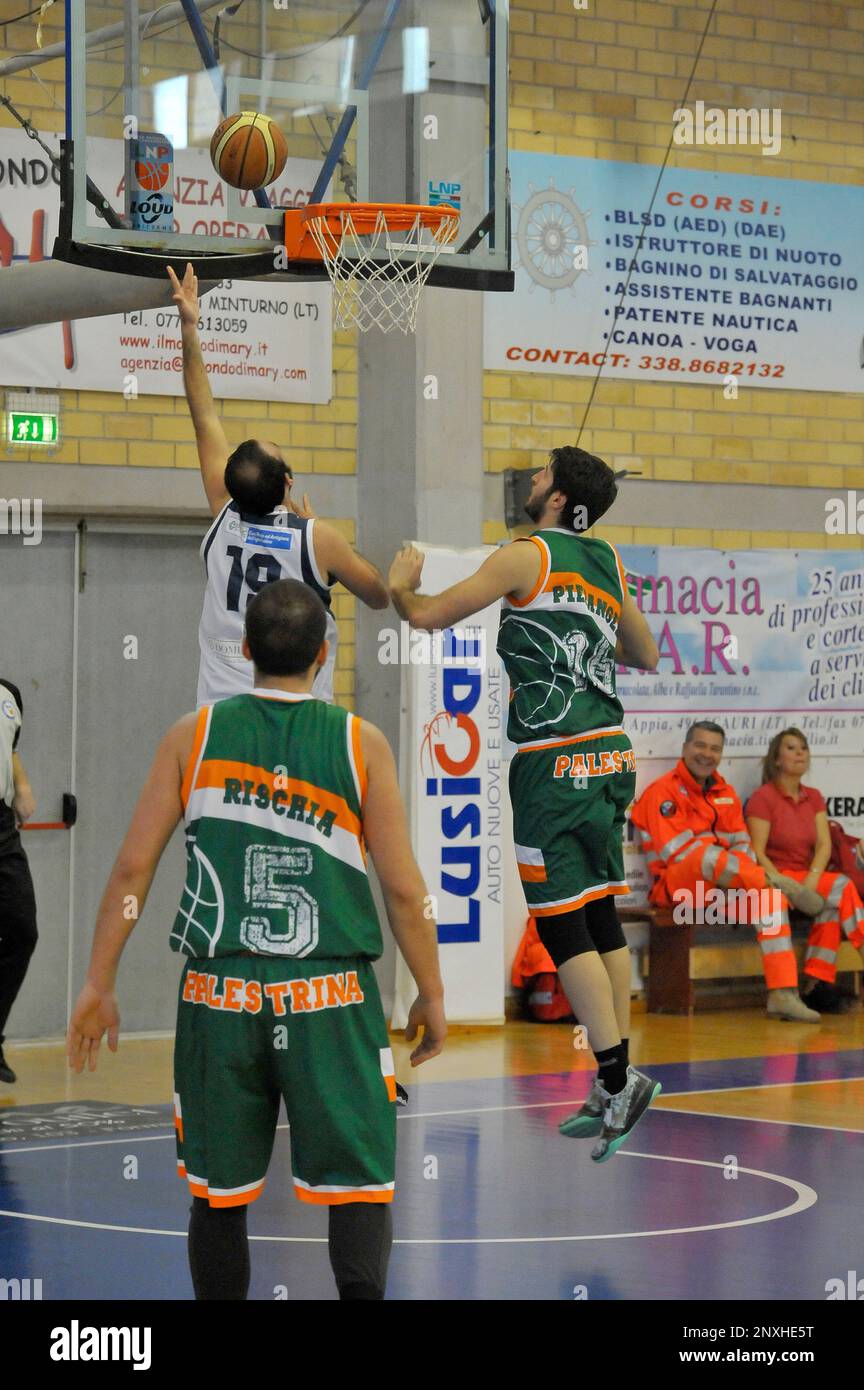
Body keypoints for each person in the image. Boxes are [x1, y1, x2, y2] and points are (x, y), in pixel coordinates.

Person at [67, 580, 446, 1301]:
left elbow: (132, 868)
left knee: (218, 1194)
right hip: (330, 997)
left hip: (221, 996)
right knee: (360, 1189)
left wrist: (98, 979)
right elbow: (403, 889)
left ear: (243, 650)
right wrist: (429, 989)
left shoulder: (194, 735)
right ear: (325, 653)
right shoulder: (358, 741)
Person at [389, 446, 662, 1163]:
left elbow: (426, 618)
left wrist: (398, 587)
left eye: (540, 473)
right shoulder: (606, 560)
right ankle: (614, 1081)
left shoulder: (525, 555)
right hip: (610, 754)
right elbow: (647, 654)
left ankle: (614, 1075)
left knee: (561, 924)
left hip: (552, 765)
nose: (530, 479)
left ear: (557, 496)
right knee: (601, 914)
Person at [167, 264, 389, 707]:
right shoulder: (316, 538)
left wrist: (189, 326)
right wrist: (322, 537)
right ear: (288, 480)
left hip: (223, 712)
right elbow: (379, 595)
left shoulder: (223, 511)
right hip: (297, 712)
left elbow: (203, 414)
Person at [630, 721, 821, 1022]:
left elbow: (743, 844)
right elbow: (677, 853)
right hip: (678, 891)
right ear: (685, 749)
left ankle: (782, 995)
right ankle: (775, 881)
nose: (706, 754)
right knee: (705, 854)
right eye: (700, 746)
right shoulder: (662, 792)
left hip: (727, 889)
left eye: (715, 748)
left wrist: (734, 878)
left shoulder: (726, 793)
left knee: (769, 903)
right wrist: (740, 874)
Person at [746, 727, 864, 1013]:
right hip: (777, 878)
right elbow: (757, 852)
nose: (800, 753)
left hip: (807, 877)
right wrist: (785, 885)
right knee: (836, 890)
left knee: (836, 899)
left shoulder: (813, 796)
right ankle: (796, 990)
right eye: (791, 748)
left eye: (803, 748)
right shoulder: (764, 797)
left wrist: (810, 880)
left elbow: (824, 844)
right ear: (776, 759)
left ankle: (816, 984)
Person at [0, 678, 38, 1085]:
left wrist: (22, 785)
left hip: (1, 828)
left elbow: (9, 751)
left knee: (21, 929)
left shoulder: (8, 694)